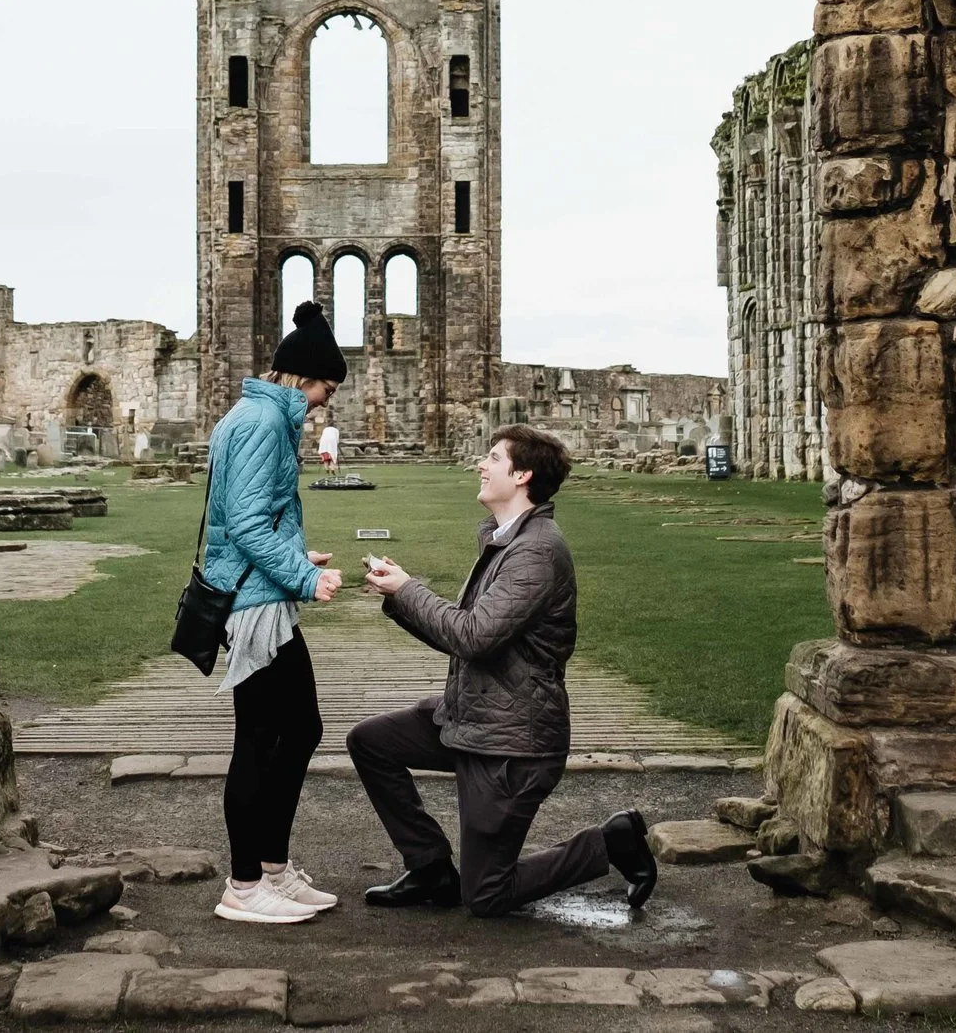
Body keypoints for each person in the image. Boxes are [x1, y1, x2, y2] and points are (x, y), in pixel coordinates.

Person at [347, 426, 659, 918]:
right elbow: (467, 640)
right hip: (472, 719)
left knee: (487, 894)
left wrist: (409, 589)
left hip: (512, 744)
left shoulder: (536, 551)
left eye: (493, 457)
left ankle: (610, 844)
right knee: (371, 742)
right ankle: (430, 869)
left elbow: (473, 636)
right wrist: (400, 596)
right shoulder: (506, 540)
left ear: (522, 475)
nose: (481, 464)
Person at [199, 301, 348, 925]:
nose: (325, 404)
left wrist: (294, 552)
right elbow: (251, 524)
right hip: (256, 605)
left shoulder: (263, 416)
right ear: (302, 377)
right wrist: (305, 576)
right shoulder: (262, 421)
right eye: (326, 390)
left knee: (299, 730)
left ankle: (273, 869)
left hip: (262, 595)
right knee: (261, 740)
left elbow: (249, 519)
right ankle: (243, 884)